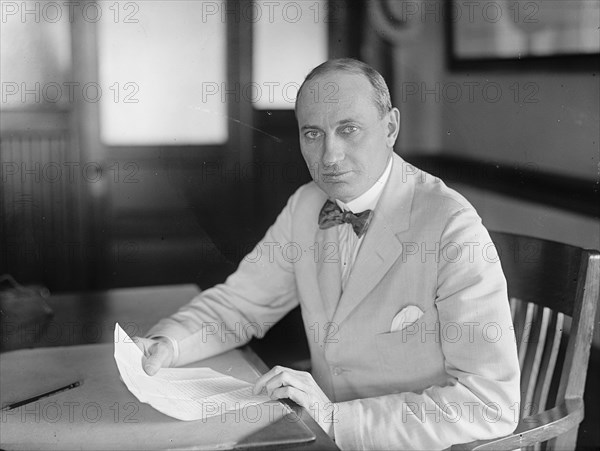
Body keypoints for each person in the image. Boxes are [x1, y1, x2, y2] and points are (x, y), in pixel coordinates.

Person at [134, 58, 520, 450]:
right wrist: (169, 344)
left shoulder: (452, 225)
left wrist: (336, 419)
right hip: (321, 436)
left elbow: (488, 403)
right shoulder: (305, 205)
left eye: (348, 129)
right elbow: (241, 303)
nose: (329, 156)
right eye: (313, 134)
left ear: (390, 128)